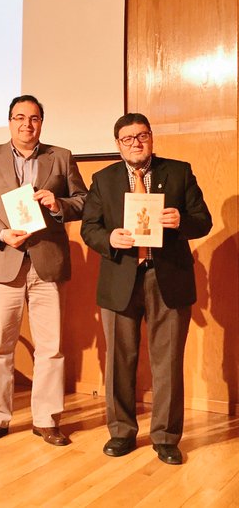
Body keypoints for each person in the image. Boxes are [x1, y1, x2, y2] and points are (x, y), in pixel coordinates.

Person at [80, 113, 212, 465]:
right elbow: (89, 228)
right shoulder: (103, 179)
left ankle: (167, 437)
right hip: (120, 277)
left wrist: (182, 221)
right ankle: (121, 432)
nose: (136, 143)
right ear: (118, 144)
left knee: (167, 362)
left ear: (151, 138)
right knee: (119, 361)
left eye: (142, 136)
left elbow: (204, 220)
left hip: (166, 276)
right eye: (128, 138)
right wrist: (109, 237)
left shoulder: (179, 171)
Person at [0, 95, 87, 445]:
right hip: (5, 261)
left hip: (47, 264)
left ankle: (46, 419)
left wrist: (58, 203)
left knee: (51, 348)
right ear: (9, 122)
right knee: (0, 348)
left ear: (41, 123)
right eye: (19, 118)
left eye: (33, 119)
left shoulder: (60, 156)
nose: (26, 125)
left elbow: (84, 201)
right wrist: (1, 233)